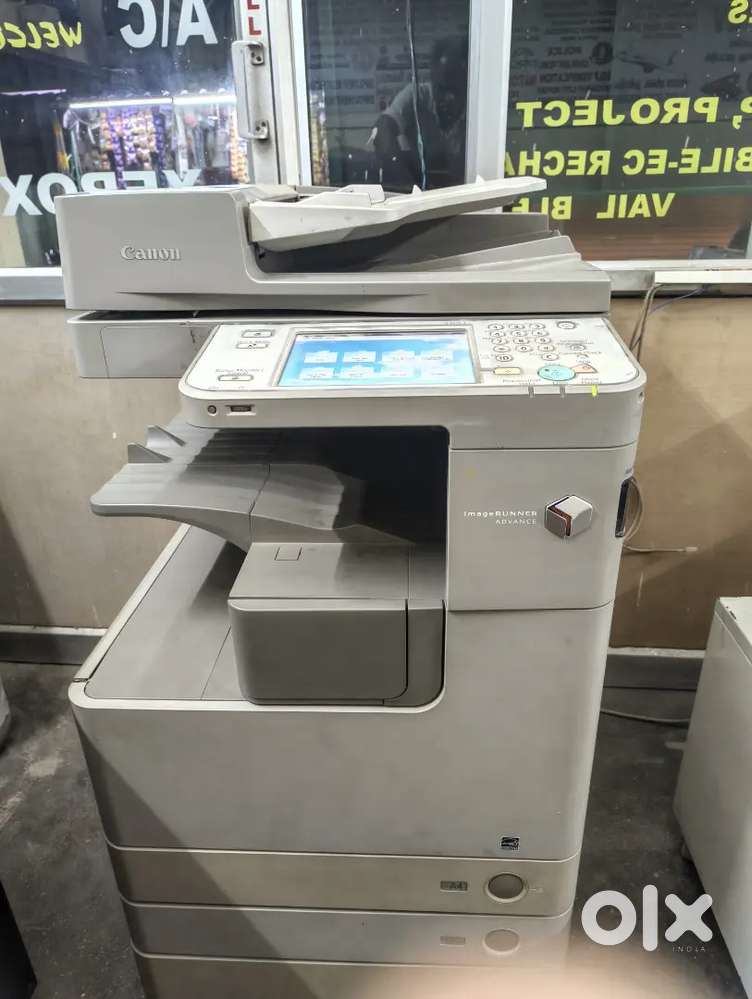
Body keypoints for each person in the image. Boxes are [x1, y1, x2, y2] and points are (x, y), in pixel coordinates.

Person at [368, 36, 468, 191]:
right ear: (433, 80)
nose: (449, 98)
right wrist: (407, 183)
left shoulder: (478, 107)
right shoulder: (418, 95)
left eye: (455, 90)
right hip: (417, 186)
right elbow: (382, 130)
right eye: (442, 89)